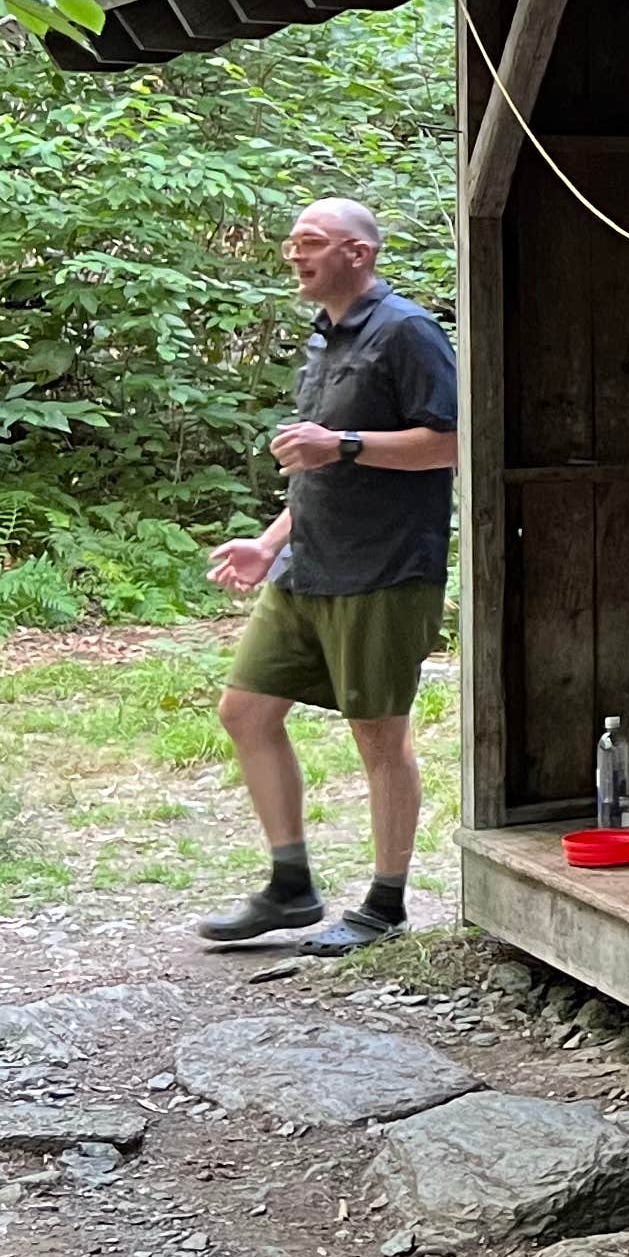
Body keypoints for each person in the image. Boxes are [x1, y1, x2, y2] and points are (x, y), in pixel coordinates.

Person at [196, 198, 460, 952]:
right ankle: (290, 888)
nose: (294, 255)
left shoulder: (408, 332)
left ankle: (384, 905)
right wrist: (270, 542)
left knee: (379, 736)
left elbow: (452, 443)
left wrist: (342, 442)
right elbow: (313, 463)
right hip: (305, 566)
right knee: (246, 712)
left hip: (384, 569)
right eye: (290, 245)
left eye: (310, 243)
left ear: (360, 253)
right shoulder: (324, 338)